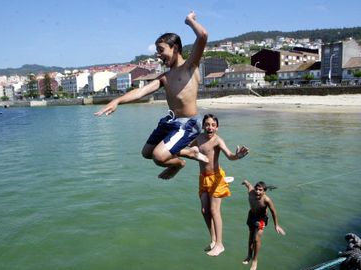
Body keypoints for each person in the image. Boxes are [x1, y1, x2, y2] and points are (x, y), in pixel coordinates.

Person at [94, 11, 208, 180]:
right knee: (147, 153)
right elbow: (141, 92)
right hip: (172, 121)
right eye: (157, 51)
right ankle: (188, 152)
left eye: (161, 50)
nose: (158, 55)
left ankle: (179, 163)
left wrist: (190, 21)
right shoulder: (165, 77)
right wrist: (117, 100)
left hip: (188, 124)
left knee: (159, 156)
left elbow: (203, 35)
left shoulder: (190, 67)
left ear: (175, 48)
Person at [190, 114, 249, 256]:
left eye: (213, 125)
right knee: (205, 211)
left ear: (217, 127)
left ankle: (220, 244)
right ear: (203, 126)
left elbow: (229, 155)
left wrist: (238, 156)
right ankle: (213, 239)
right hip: (203, 179)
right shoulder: (198, 139)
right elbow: (187, 149)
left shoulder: (217, 140)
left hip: (216, 178)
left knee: (214, 210)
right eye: (207, 124)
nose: (210, 127)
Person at [242, 180, 286, 270]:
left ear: (264, 191)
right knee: (250, 238)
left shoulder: (267, 200)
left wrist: (276, 225)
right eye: (256, 189)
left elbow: (273, 212)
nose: (258, 191)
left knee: (256, 239)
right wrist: (245, 182)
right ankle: (249, 256)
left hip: (261, 219)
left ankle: (255, 260)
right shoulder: (251, 192)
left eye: (260, 190)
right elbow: (249, 184)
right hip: (251, 216)